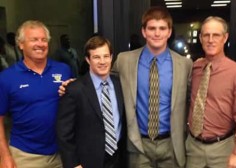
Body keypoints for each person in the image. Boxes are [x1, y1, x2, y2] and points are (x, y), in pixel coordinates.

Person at [112, 6, 192, 168]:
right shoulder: (124, 61)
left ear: (169, 32)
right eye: (152, 28)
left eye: (162, 28)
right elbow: (104, 84)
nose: (157, 33)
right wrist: (73, 86)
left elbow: (192, 99)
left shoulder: (184, 64)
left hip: (171, 144)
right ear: (144, 31)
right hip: (138, 144)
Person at [0, 20, 72, 168]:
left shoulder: (63, 70)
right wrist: (5, 156)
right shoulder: (7, 78)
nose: (40, 44)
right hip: (26, 156)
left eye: (44, 39)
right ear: (20, 44)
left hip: (61, 155)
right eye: (34, 39)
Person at [186, 16, 236, 168]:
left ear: (225, 38)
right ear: (200, 38)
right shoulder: (196, 68)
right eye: (206, 35)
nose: (211, 40)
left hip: (222, 148)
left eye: (216, 35)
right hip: (193, 147)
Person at [56, 36, 127, 168]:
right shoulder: (74, 89)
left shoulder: (120, 84)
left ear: (111, 57)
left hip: (118, 160)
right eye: (96, 57)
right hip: (87, 162)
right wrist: (73, 164)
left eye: (106, 56)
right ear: (88, 60)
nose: (102, 61)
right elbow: (64, 133)